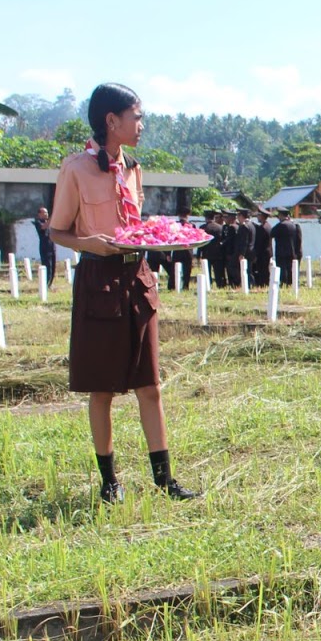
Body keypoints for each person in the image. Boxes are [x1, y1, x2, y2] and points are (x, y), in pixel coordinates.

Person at [47, 83, 198, 504]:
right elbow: (58, 230)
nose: (141, 124)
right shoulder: (75, 168)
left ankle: (164, 479)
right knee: (103, 388)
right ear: (111, 121)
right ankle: (109, 481)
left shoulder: (133, 168)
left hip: (137, 277)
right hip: (100, 281)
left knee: (149, 384)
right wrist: (86, 244)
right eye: (136, 116)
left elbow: (134, 227)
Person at [273, 208, 303, 284]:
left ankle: (284, 283)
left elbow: (272, 233)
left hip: (281, 252)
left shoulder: (281, 225)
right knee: (291, 270)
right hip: (292, 252)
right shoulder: (294, 225)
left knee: (282, 271)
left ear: (280, 215)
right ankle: (291, 283)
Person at [202, 211, 227, 288]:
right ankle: (221, 285)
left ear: (206, 218)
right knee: (219, 272)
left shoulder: (203, 228)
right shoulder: (220, 227)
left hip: (206, 253)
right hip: (218, 253)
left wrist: (199, 254)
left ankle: (207, 285)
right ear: (214, 218)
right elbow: (224, 240)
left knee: (206, 271)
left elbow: (201, 243)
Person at [33, 206, 57, 284]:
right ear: (39, 214)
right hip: (45, 247)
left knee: (53, 266)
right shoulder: (38, 222)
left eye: (47, 212)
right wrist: (51, 219)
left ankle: (50, 283)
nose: (46, 214)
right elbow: (43, 227)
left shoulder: (49, 222)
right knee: (47, 266)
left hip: (52, 247)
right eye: (44, 212)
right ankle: (46, 283)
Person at [252, 211, 274, 287]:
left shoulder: (263, 228)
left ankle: (263, 285)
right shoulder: (267, 226)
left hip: (263, 253)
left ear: (262, 216)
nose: (257, 217)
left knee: (262, 271)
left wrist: (255, 255)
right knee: (264, 270)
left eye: (258, 215)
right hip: (266, 252)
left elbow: (259, 243)